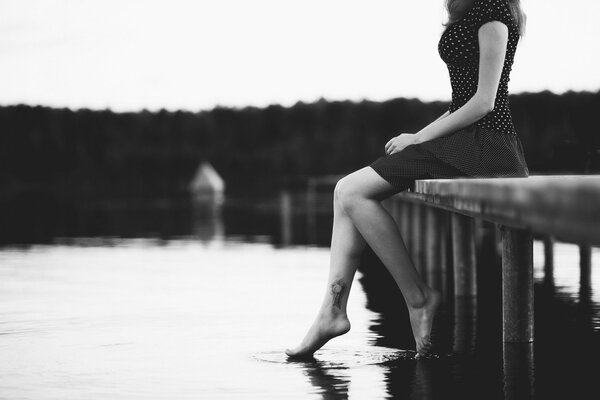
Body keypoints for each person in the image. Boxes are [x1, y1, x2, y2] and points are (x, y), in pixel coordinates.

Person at [285, 0, 528, 359]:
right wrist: (420, 135)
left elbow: (484, 103)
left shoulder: (493, 13)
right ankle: (333, 310)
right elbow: (461, 101)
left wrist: (418, 139)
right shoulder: (473, 10)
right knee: (346, 193)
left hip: (488, 147)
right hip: (464, 142)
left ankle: (416, 299)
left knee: (352, 192)